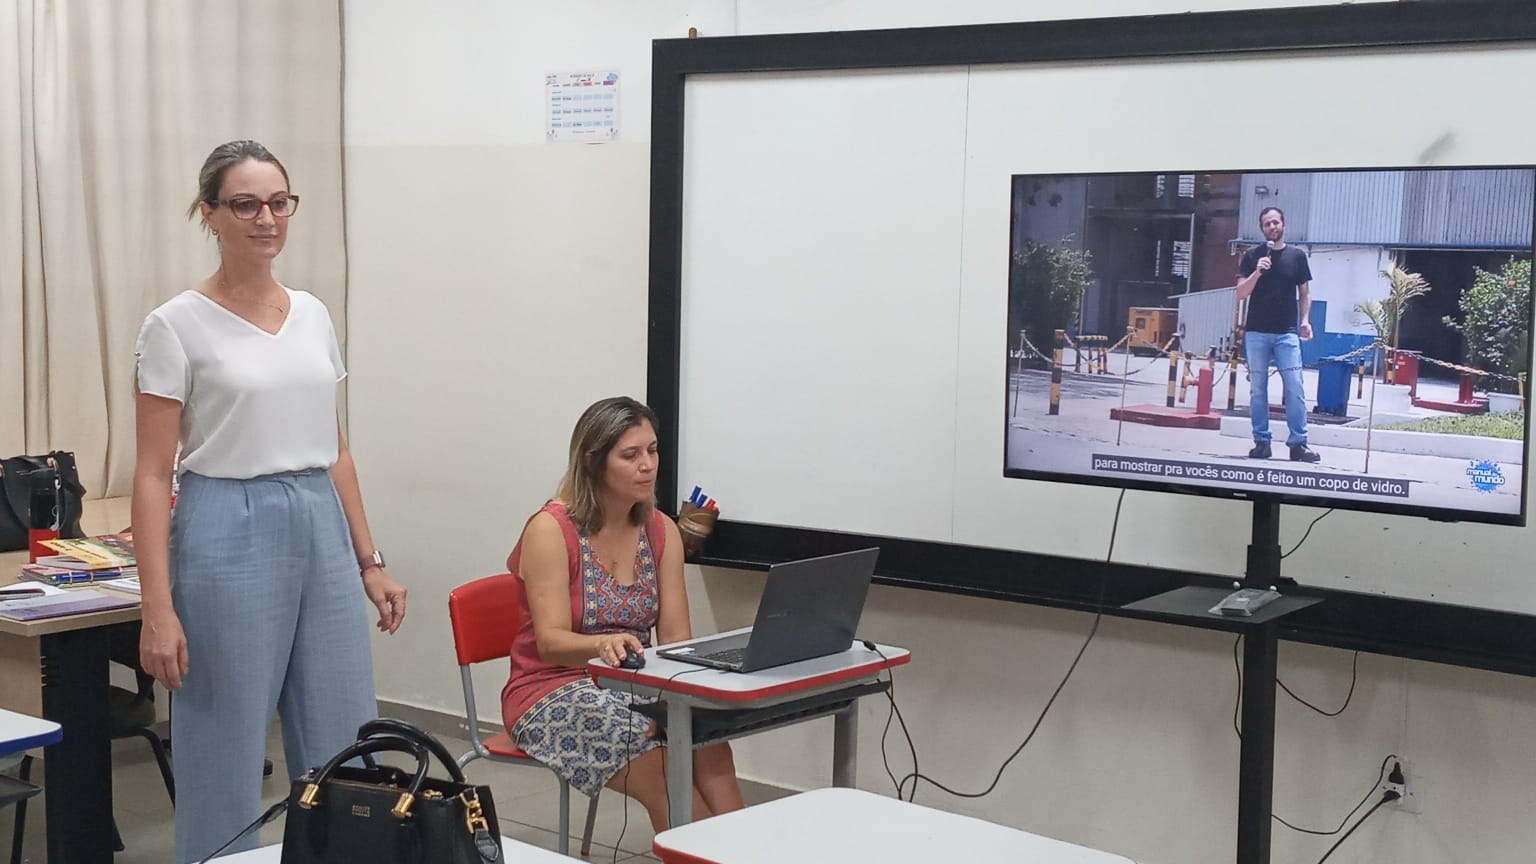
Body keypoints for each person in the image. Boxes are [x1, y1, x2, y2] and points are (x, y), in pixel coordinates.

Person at [132, 139, 408, 863]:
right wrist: (157, 609)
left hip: (319, 519)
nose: (266, 218)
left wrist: (369, 561)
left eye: (278, 203)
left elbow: (334, 446)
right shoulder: (175, 325)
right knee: (223, 741)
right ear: (209, 213)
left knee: (346, 738)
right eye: (246, 204)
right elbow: (153, 474)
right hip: (226, 522)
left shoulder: (312, 313)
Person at [502, 396, 744, 831]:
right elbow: (550, 642)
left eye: (652, 450)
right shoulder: (550, 530)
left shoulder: (661, 530)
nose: (647, 465)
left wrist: (681, 699)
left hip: (635, 681)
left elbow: (677, 641)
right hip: (551, 689)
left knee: (709, 741)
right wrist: (602, 644)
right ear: (593, 462)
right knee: (663, 767)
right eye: (630, 455)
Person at [1236, 206, 1321, 463]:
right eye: (1267, 224)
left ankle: (1298, 444)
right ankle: (1262, 442)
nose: (1272, 227)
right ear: (1262, 229)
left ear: (1283, 224)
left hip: (1287, 333)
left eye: (1275, 222)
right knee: (1258, 390)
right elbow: (1241, 293)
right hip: (1257, 332)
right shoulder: (1252, 256)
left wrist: (1305, 321)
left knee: (1295, 387)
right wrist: (1257, 272)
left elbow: (1304, 292)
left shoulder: (1297, 256)